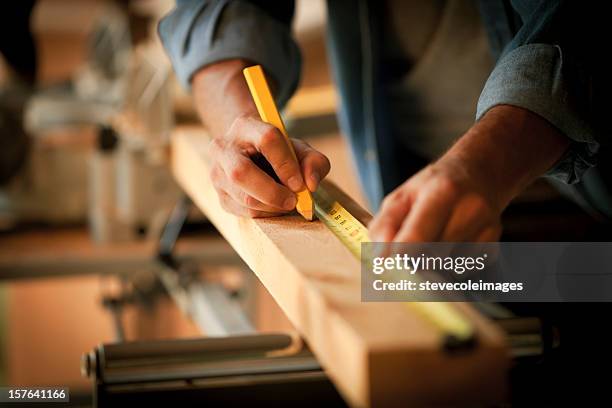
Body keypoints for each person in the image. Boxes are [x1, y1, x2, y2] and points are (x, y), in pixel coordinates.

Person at [158, 0, 609, 243]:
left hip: (591, 210)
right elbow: (218, 8)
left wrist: (486, 164)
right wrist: (241, 120)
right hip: (431, 224)